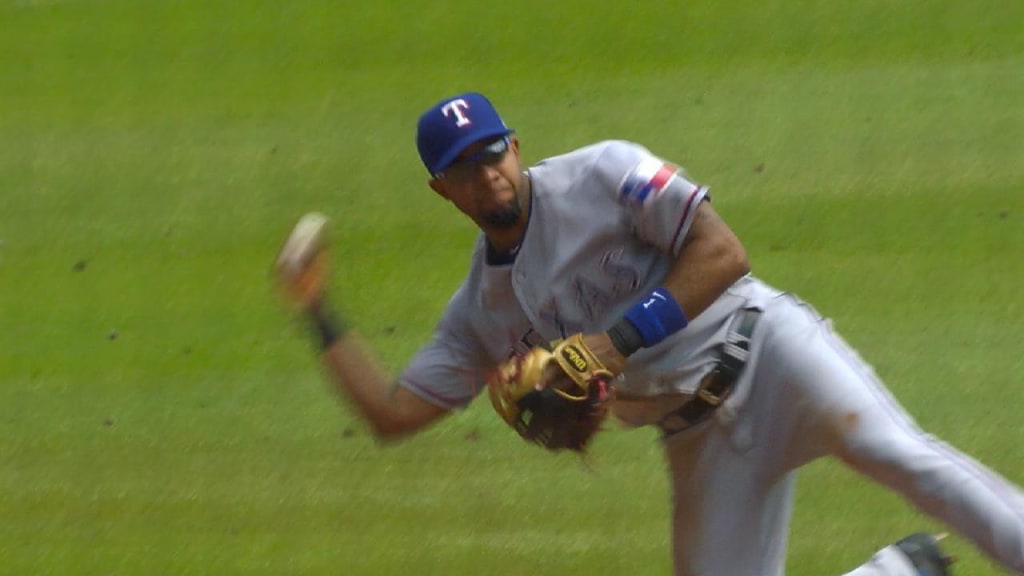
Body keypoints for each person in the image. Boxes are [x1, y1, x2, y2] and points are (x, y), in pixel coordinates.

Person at [275, 91, 1024, 575]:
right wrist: (316, 307)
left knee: (903, 456)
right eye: (464, 170)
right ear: (442, 190)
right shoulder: (483, 310)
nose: (489, 175)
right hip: (696, 439)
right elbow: (392, 413)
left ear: (514, 145)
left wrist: (613, 344)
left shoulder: (605, 173)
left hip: (769, 350)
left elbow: (724, 254)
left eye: (493, 152)